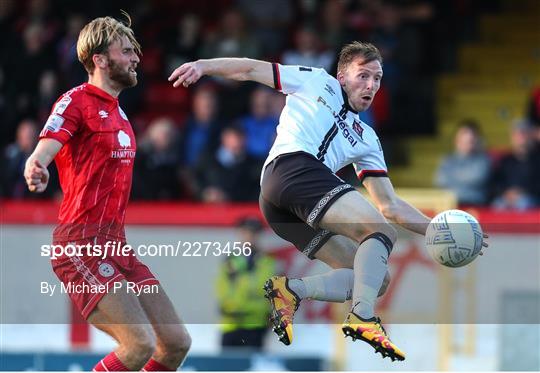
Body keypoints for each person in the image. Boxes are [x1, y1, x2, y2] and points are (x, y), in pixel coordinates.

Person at [169, 41, 488, 361]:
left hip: (281, 207)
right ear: (342, 76)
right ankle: (363, 318)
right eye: (363, 76)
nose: (371, 85)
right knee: (381, 233)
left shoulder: (367, 139)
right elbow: (251, 68)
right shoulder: (316, 80)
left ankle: (292, 290)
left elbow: (389, 206)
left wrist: (437, 229)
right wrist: (204, 65)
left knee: (375, 279)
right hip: (291, 168)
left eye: (377, 79)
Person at [24, 14, 191, 371]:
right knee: (139, 343)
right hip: (79, 244)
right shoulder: (76, 102)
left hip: (117, 245)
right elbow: (48, 144)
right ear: (100, 60)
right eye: (127, 51)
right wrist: (37, 164)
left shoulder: (121, 115)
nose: (136, 59)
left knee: (176, 343)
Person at [216, 217, 275, 350]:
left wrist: (240, 280)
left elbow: (263, 288)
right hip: (230, 323)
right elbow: (222, 288)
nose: (249, 236)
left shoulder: (265, 260)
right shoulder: (229, 259)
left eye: (253, 233)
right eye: (246, 232)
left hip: (254, 324)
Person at [434, 120, 491, 205]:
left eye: (470, 140)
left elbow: (477, 178)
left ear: (476, 140)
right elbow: (439, 181)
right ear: (456, 140)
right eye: (463, 138)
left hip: (475, 205)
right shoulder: (447, 160)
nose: (467, 142)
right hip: (451, 206)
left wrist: (452, 178)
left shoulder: (483, 160)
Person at [491, 120, 540, 210]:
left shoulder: (537, 160)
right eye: (517, 134)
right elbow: (496, 183)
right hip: (506, 198)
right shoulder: (505, 160)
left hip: (531, 199)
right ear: (512, 137)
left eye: (524, 133)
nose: (520, 137)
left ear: (530, 136)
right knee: (498, 205)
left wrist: (522, 192)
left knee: (523, 203)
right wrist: (506, 193)